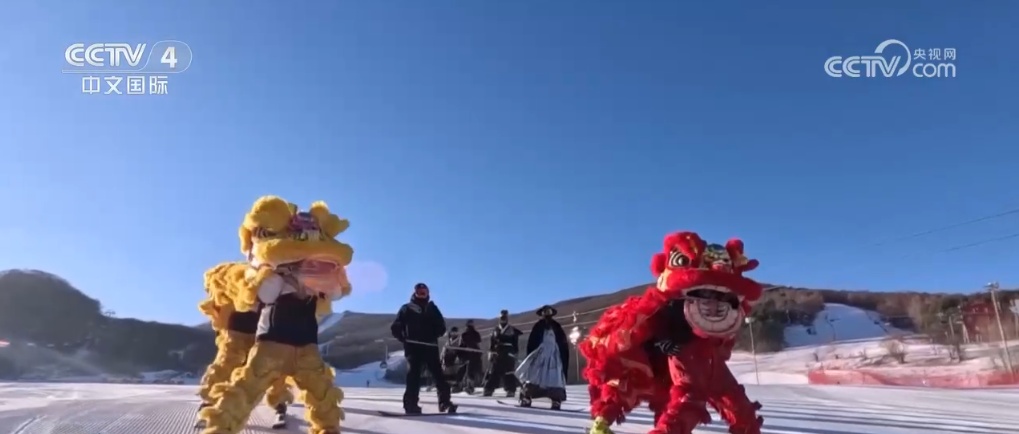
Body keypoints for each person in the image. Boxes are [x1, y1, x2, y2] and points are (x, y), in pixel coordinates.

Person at [582, 232, 765, 434]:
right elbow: (658, 322)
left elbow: (726, 321)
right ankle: (604, 422)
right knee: (689, 400)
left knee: (738, 406)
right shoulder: (673, 304)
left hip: (707, 358)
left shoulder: (722, 303)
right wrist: (664, 341)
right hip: (684, 352)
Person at [198, 197, 353, 434]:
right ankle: (220, 419)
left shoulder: (314, 283)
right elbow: (265, 295)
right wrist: (275, 275)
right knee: (246, 381)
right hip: (269, 340)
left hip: (305, 346)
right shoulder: (266, 276)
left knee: (321, 390)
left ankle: (319, 424)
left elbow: (334, 293)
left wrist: (330, 278)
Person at [390, 283, 458, 414]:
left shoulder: (432, 308)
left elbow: (441, 326)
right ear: (414, 293)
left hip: (430, 346)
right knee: (413, 375)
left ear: (428, 293)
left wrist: (435, 333)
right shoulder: (407, 308)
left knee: (439, 375)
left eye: (424, 292)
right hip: (413, 347)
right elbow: (396, 326)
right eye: (419, 292)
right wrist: (402, 336)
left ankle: (445, 402)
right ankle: (411, 404)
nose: (421, 294)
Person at [516, 305, 569, 409]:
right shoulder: (538, 326)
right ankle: (526, 397)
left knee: (554, 377)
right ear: (542, 314)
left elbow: (563, 342)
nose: (547, 315)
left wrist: (563, 355)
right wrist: (531, 356)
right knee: (533, 376)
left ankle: (556, 400)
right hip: (539, 354)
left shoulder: (556, 326)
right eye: (545, 313)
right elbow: (532, 342)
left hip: (554, 355)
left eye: (548, 312)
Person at [482, 309, 522, 397]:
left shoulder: (512, 330)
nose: (503, 319)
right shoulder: (495, 330)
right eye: (501, 318)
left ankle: (511, 390)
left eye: (505, 317)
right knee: (494, 371)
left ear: (507, 318)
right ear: (499, 318)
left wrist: (515, 353)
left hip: (508, 353)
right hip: (497, 353)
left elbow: (515, 344)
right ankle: (489, 389)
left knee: (509, 372)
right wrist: (491, 353)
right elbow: (492, 343)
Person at [460, 319, 483, 392]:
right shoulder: (465, 334)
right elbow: (462, 345)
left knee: (470, 370)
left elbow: (478, 344)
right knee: (469, 370)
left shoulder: (471, 334)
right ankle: (469, 386)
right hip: (470, 354)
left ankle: (470, 386)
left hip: (473, 354)